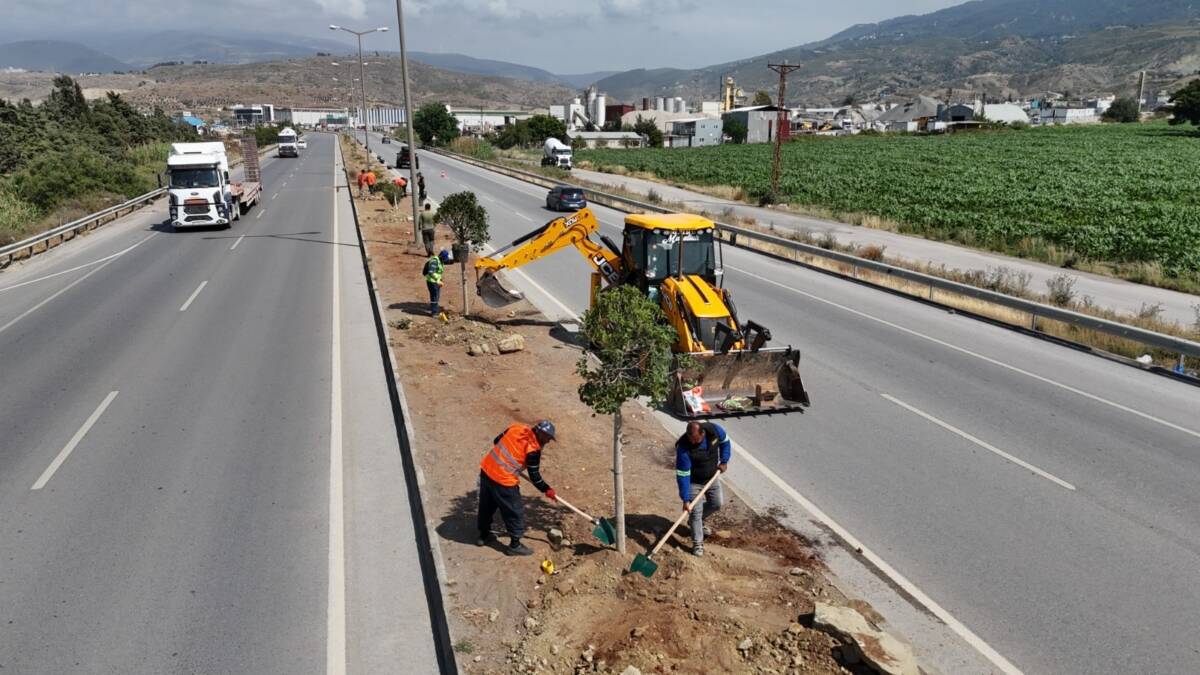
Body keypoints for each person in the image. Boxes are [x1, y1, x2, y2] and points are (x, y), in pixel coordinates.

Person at [478, 420, 558, 556]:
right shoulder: (533, 449)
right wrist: (547, 489)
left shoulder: (517, 427)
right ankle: (515, 545)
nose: (548, 442)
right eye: (548, 438)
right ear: (541, 435)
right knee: (515, 511)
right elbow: (535, 477)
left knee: (487, 505)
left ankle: (483, 536)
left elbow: (496, 440)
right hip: (504, 481)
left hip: (487, 470)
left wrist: (509, 459)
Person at [674, 421, 731, 557]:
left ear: (703, 433)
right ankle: (697, 543)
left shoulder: (714, 431)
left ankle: (695, 523)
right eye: (690, 439)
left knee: (717, 503)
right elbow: (683, 475)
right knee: (695, 512)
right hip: (693, 482)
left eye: (696, 439)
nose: (693, 442)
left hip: (712, 477)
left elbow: (725, 442)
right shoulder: (683, 448)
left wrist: (724, 461)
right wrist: (685, 499)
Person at [423, 249, 449, 316]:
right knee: (434, 296)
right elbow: (431, 272)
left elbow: (439, 271)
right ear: (441, 257)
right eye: (444, 258)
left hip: (435, 281)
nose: (445, 260)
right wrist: (438, 281)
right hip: (432, 282)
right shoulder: (435, 261)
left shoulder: (440, 260)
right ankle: (434, 312)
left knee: (436, 296)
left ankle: (435, 308)